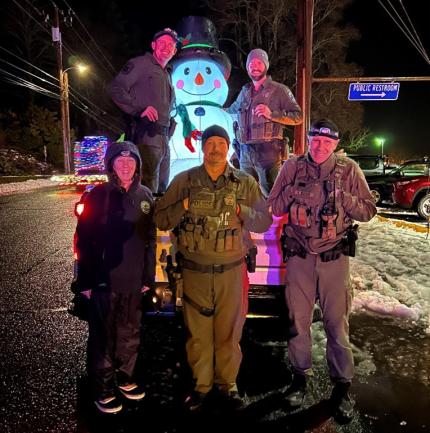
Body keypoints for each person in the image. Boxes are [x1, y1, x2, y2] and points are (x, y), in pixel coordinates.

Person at [154, 125, 272, 412]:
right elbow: (161, 219)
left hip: (232, 271)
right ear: (202, 148)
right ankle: (201, 387)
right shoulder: (184, 181)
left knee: (230, 333)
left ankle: (227, 385)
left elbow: (264, 221)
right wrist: (183, 203)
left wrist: (241, 212)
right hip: (194, 271)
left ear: (229, 148)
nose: (216, 149)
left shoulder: (245, 183)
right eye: (211, 143)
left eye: (221, 143)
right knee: (198, 334)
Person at [267, 119, 377, 419]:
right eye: (315, 140)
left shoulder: (349, 170)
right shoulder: (291, 168)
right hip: (300, 258)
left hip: (334, 260)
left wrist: (343, 197)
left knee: (336, 327)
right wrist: (291, 191)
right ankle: (299, 380)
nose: (320, 146)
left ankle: (341, 388)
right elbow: (274, 207)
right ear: (308, 140)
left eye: (327, 143)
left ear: (336, 145)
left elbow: (368, 210)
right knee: (297, 324)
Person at [74, 141, 156, 414]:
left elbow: (150, 241)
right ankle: (103, 387)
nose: (125, 164)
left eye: (130, 160)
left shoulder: (145, 196)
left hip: (133, 280)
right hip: (102, 280)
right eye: (119, 161)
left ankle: (124, 378)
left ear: (137, 165)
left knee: (129, 331)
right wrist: (83, 281)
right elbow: (83, 240)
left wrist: (148, 276)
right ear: (111, 165)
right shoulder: (97, 195)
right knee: (103, 336)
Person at [108, 28, 178, 193]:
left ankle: (157, 218)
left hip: (164, 139)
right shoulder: (140, 64)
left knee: (161, 189)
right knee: (146, 187)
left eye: (171, 45)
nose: (166, 47)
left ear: (174, 51)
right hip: (146, 136)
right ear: (153, 45)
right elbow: (115, 88)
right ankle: (143, 219)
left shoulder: (167, 73)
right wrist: (138, 109)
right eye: (162, 43)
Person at [226, 48, 303, 196]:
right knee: (246, 195)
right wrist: (209, 109)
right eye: (251, 64)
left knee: (273, 196)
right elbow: (230, 112)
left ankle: (275, 220)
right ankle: (253, 220)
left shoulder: (280, 90)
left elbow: (298, 117)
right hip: (245, 153)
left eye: (258, 63)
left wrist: (272, 114)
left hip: (269, 153)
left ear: (266, 65)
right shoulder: (244, 92)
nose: (254, 67)